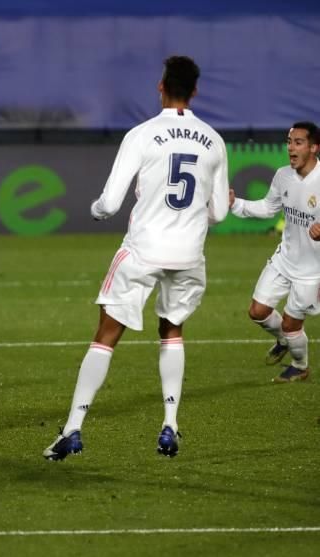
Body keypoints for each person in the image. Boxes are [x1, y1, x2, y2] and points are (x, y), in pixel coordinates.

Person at [43, 55, 230, 461]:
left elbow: (109, 203)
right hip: (189, 255)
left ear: (160, 86)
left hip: (144, 249)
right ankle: (170, 424)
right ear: (195, 91)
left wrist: (95, 209)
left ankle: (73, 429)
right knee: (172, 331)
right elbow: (219, 213)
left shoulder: (142, 135)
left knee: (106, 337)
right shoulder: (214, 140)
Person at [228, 121, 320, 383]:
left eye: (298, 142)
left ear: (314, 147)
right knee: (257, 311)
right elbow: (268, 208)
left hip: (312, 270)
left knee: (292, 324)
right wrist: (236, 204)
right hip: (284, 259)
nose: (291, 147)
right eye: (289, 142)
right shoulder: (283, 176)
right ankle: (282, 340)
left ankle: (300, 365)